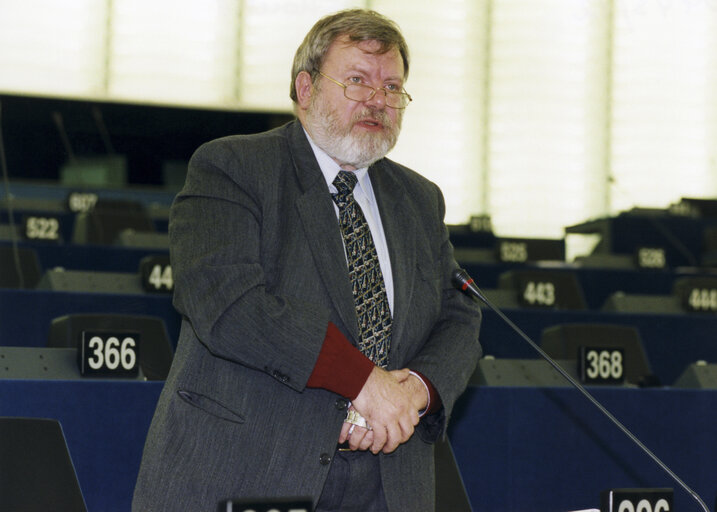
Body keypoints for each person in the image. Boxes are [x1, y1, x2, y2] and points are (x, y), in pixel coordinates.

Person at [132, 8, 482, 512]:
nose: (377, 101)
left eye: (392, 88)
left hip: (388, 482)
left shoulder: (419, 199)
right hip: (252, 468)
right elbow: (226, 304)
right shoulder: (231, 166)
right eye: (358, 81)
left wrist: (416, 392)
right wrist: (363, 382)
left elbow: (460, 312)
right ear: (305, 88)